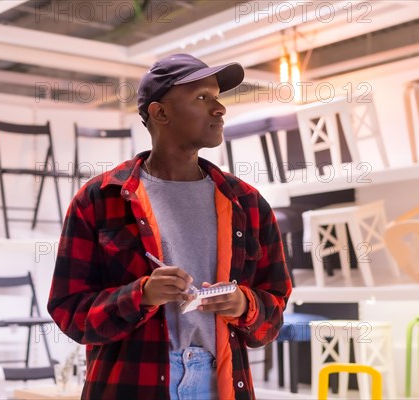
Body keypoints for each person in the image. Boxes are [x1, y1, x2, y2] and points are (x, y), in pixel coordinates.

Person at [48, 53, 292, 400]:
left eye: (217, 98)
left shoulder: (248, 204)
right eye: (202, 98)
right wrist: (140, 296)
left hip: (219, 382)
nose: (219, 109)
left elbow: (275, 309)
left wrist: (243, 305)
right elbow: (68, 312)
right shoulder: (100, 200)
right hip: (131, 386)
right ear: (160, 113)